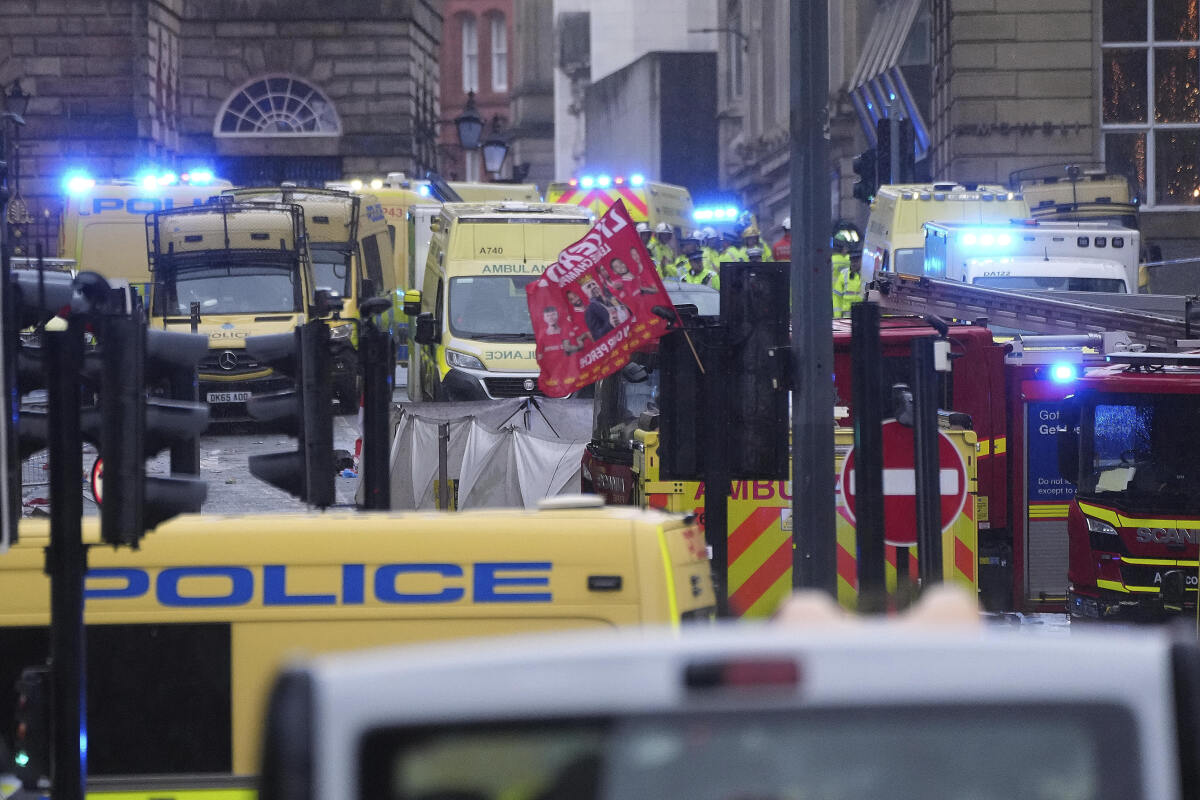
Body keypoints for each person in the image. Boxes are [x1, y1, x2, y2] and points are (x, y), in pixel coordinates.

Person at [832, 249, 864, 318]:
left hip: (863, 315)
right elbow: (837, 296)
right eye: (852, 261)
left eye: (856, 261)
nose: (853, 263)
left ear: (861, 260)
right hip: (847, 317)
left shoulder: (867, 274)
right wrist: (837, 316)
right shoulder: (844, 274)